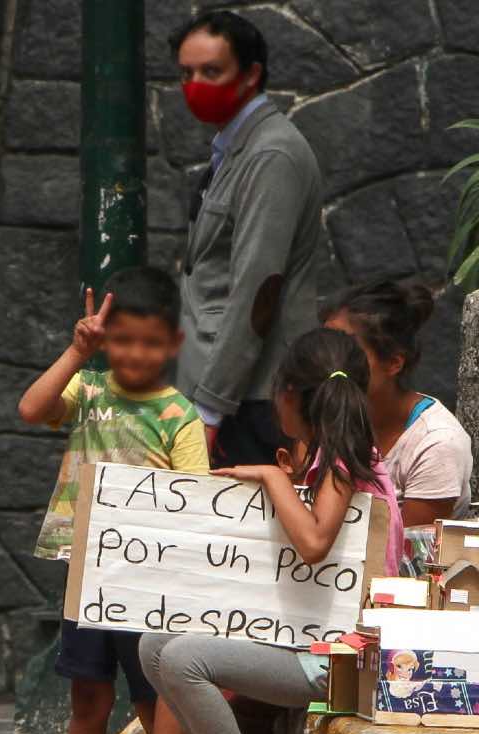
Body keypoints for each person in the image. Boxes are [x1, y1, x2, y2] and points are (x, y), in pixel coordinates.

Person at [90, 329, 404, 734]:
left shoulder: (343, 463)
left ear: (290, 394)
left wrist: (266, 478)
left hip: (343, 658)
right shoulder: (325, 461)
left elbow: (313, 543)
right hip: (306, 641)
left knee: (188, 660)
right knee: (157, 644)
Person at [16, 267, 209, 734]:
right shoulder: (88, 391)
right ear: (105, 340)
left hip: (149, 585)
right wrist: (78, 353)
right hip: (87, 572)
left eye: (150, 342)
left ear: (174, 345)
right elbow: (31, 408)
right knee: (87, 698)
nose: (135, 353)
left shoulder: (180, 416)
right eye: (122, 340)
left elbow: (196, 499)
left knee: (154, 702)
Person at [171, 10, 323, 468]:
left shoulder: (270, 153)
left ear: (251, 74)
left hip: (250, 397)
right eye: (186, 73)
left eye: (211, 71)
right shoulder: (234, 147)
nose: (195, 84)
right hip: (223, 386)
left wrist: (211, 406)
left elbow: (258, 286)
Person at [323, 279, 473, 525]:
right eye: (325, 345)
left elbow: (406, 552)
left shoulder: (437, 443)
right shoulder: (329, 411)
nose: (328, 360)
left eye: (347, 350)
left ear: (394, 362)